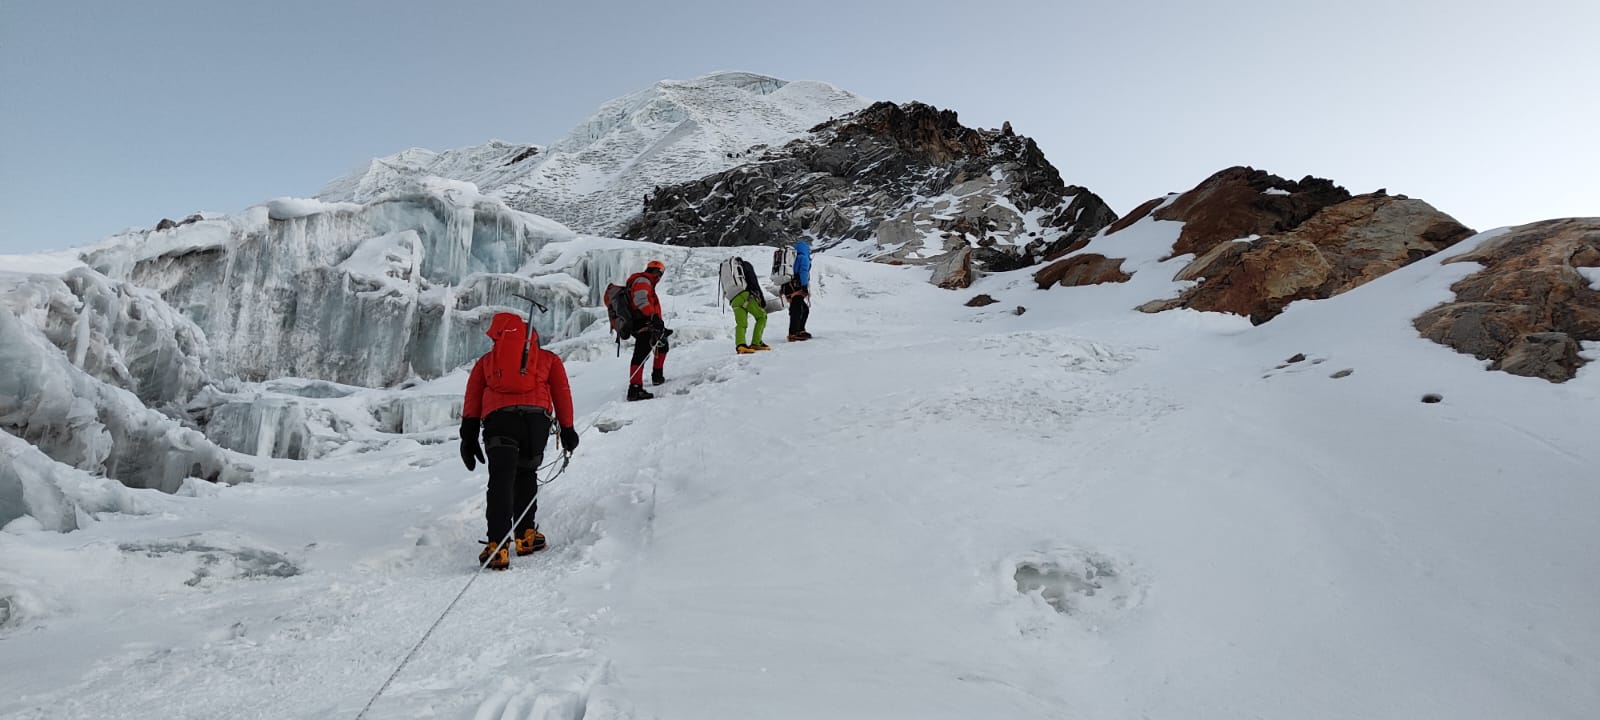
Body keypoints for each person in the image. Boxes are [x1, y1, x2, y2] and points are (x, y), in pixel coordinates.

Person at [460, 312, 579, 570]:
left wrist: (468, 436)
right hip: (536, 422)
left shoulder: (487, 362)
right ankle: (525, 536)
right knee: (526, 473)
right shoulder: (548, 359)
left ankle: (497, 546)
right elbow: (562, 392)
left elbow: (472, 399)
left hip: (499, 421)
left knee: (501, 479)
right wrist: (568, 429)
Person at [625, 260, 671, 401]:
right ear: (653, 270)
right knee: (642, 352)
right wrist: (653, 317)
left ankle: (657, 376)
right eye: (659, 273)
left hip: (648, 321)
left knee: (662, 345)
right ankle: (635, 389)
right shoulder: (643, 280)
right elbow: (641, 300)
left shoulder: (646, 281)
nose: (659, 276)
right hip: (644, 322)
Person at [730, 256, 770, 354]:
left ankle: (741, 345)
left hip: (733, 299)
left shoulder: (730, 272)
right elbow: (753, 281)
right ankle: (756, 342)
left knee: (741, 324)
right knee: (762, 317)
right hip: (746, 296)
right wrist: (761, 298)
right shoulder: (746, 265)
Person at [784, 240, 812, 341]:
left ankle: (799, 330)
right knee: (798, 309)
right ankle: (794, 332)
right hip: (796, 287)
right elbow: (803, 272)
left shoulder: (792, 258)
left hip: (788, 286)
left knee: (802, 309)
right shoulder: (803, 258)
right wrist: (804, 286)